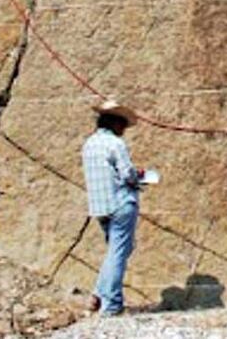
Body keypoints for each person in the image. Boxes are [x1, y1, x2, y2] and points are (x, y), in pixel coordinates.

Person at [82, 100, 144, 316]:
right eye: (123, 126)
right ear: (115, 123)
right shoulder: (116, 144)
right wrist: (140, 177)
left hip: (100, 206)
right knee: (118, 253)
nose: (124, 130)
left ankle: (97, 295)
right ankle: (112, 304)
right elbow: (127, 174)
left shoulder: (88, 144)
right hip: (120, 202)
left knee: (116, 251)